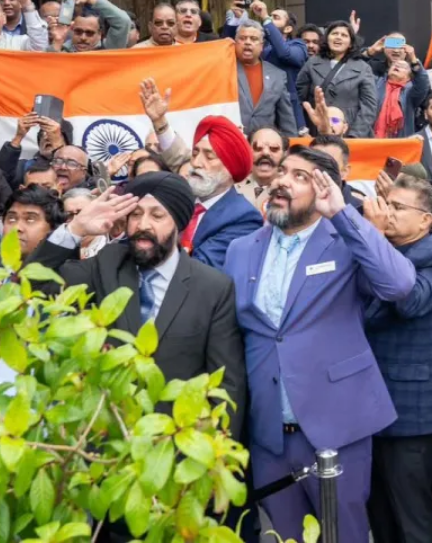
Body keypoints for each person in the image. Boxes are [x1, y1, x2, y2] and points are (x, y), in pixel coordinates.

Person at [222, 146, 418, 543]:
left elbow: (399, 285)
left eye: (300, 176)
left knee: (343, 535)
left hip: (336, 427)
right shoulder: (241, 250)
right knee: (285, 536)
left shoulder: (345, 240)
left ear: (326, 189)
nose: (282, 181)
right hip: (268, 434)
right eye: (282, 171)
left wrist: (342, 213)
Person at [29, 171, 246, 418]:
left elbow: (227, 385)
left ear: (179, 223)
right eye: (135, 214)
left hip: (172, 434)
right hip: (104, 430)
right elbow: (35, 284)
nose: (143, 225)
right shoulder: (107, 264)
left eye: (157, 215)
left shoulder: (212, 288)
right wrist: (76, 229)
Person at [363, 175, 432, 543]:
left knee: (413, 518)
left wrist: (375, 239)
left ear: (426, 220)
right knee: (379, 514)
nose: (386, 212)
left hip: (411, 411)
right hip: (365, 404)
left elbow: (409, 302)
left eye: (397, 207)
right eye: (386, 203)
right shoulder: (377, 248)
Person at [180, 116, 263, 267]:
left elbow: (199, 268)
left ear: (230, 167)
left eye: (209, 157)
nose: (196, 163)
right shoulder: (178, 200)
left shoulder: (244, 217)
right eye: (195, 154)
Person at [225, 0, 310, 129]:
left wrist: (265, 17)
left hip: (287, 117)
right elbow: (232, 46)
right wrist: (237, 18)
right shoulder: (262, 47)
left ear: (288, 29)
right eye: (270, 16)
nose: (269, 19)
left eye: (275, 17)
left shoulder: (298, 46)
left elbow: (284, 53)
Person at [297, 20, 379, 137]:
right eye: (334, 33)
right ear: (327, 38)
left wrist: (355, 135)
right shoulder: (311, 63)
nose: (338, 37)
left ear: (350, 43)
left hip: (350, 132)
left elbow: (369, 106)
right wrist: (303, 130)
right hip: (317, 131)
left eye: (344, 35)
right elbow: (298, 98)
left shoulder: (363, 68)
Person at [232, 18, 297, 135]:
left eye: (254, 39)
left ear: (262, 46)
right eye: (242, 38)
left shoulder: (277, 75)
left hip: (264, 142)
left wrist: (292, 142)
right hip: (232, 139)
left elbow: (286, 117)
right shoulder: (225, 69)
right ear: (235, 43)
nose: (247, 42)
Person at [373, 45, 430, 138]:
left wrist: (413, 59)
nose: (397, 66)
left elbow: (423, 81)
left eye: (403, 67)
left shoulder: (411, 92)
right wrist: (370, 51)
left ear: (409, 76)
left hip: (400, 141)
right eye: (394, 65)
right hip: (372, 140)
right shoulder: (376, 84)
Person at [62, 0, 132, 52]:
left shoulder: (108, 51)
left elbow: (123, 21)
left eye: (89, 33)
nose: (83, 38)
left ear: (99, 34)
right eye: (78, 31)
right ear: (72, 30)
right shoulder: (62, 51)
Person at [236, 126, 287, 209]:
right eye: (258, 148)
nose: (265, 153)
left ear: (284, 155)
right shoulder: (231, 185)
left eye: (274, 148)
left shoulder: (291, 190)